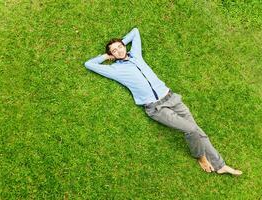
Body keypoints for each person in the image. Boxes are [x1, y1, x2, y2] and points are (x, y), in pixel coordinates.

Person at [84, 27, 242, 175]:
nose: (118, 50)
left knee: (198, 131)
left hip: (172, 98)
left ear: (125, 46)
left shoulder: (136, 54)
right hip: (157, 108)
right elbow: (89, 64)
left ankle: (220, 166)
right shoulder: (114, 70)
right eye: (114, 50)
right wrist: (106, 56)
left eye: (120, 46)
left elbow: (135, 31)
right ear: (112, 54)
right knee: (192, 130)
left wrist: (123, 42)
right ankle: (200, 157)